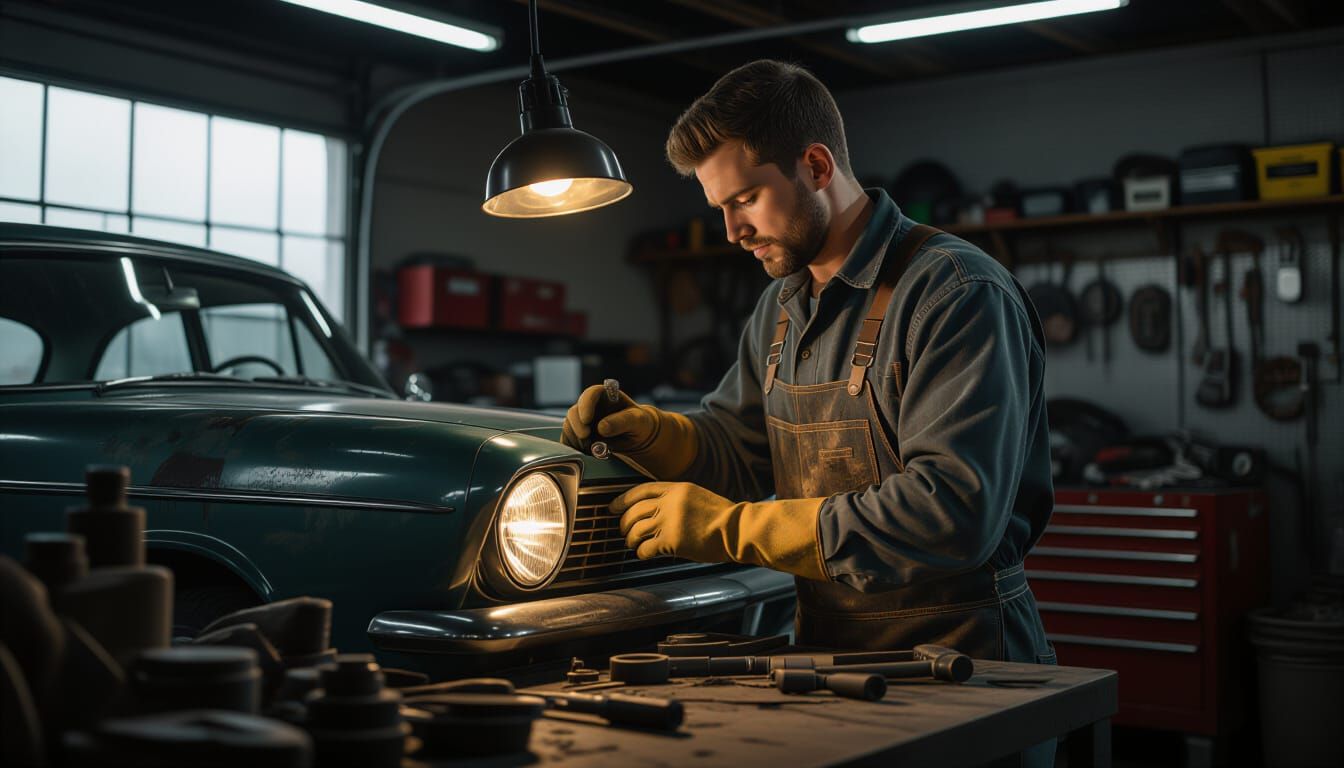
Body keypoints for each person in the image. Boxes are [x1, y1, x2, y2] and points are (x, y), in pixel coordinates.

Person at [561, 59, 1055, 669]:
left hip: (963, 657)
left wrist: (732, 528)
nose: (733, 231)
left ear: (817, 167)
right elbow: (741, 451)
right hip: (828, 653)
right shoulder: (782, 304)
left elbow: (949, 512)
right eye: (720, 207)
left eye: (746, 199)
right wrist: (656, 434)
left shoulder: (955, 293)